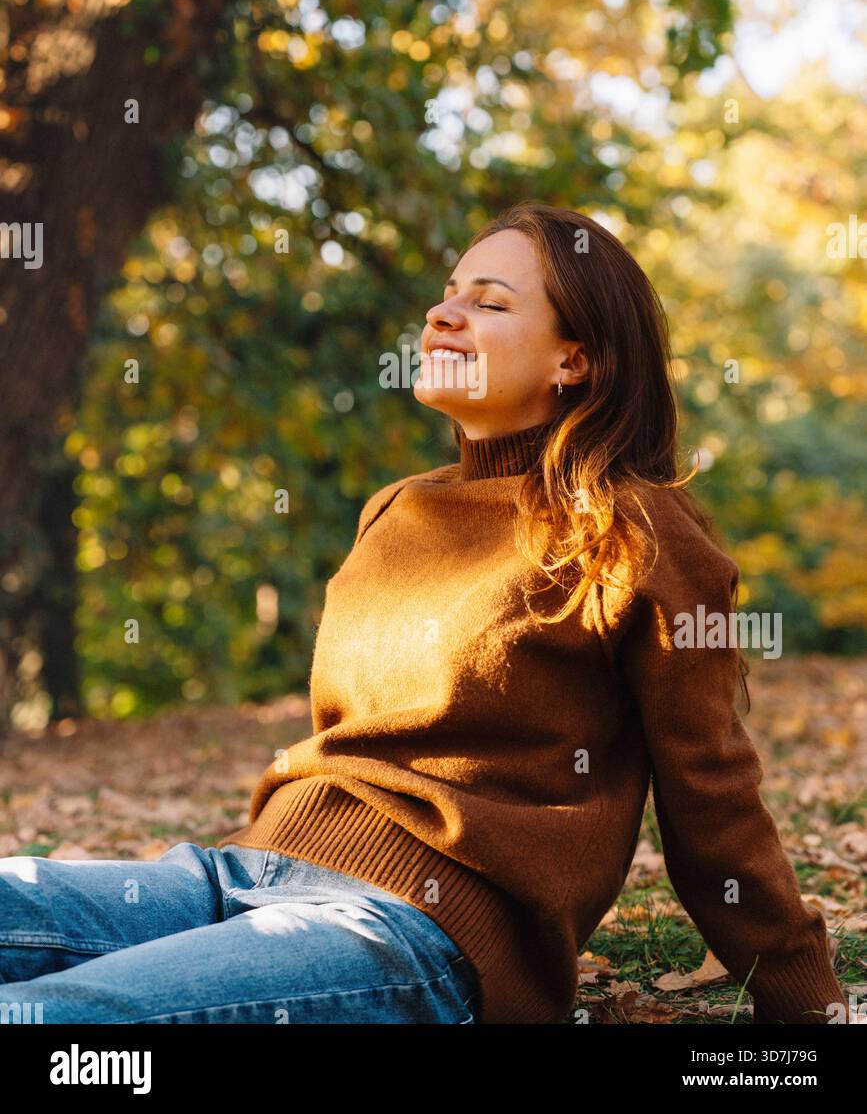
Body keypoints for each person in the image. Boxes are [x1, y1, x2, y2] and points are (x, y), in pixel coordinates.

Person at [0, 202, 847, 1025]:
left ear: (574, 361)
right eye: (449, 292)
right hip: (242, 876)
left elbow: (713, 799)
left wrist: (811, 1004)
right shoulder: (397, 510)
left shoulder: (632, 531)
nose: (444, 313)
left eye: (489, 302)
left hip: (410, 932)